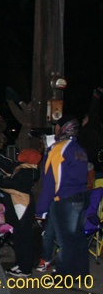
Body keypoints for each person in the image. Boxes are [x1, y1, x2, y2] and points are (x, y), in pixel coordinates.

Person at [35, 113, 89, 277]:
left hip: (65, 200)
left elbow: (51, 181)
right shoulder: (79, 150)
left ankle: (64, 276)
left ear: (63, 128)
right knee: (78, 240)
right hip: (81, 197)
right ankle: (80, 274)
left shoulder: (59, 150)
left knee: (65, 241)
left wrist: (41, 210)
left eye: (57, 126)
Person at [0, 147, 41, 277]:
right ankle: (20, 265)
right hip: (20, 209)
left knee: (23, 241)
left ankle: (25, 269)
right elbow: (7, 165)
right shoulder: (25, 169)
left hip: (22, 210)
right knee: (20, 239)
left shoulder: (25, 174)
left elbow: (3, 183)